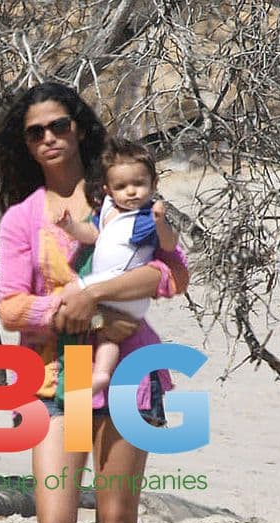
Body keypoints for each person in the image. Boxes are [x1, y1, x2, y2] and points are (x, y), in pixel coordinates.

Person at [0, 81, 188, 523]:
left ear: (78, 128)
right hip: (58, 380)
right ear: (23, 144)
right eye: (34, 132)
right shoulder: (23, 217)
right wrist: (71, 307)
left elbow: (170, 273)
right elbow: (10, 305)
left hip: (130, 376)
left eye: (58, 126)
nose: (48, 138)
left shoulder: (122, 189)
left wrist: (97, 295)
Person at [53, 136, 180, 395]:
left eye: (139, 184)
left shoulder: (143, 218)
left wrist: (160, 223)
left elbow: (170, 251)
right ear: (108, 190)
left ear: (153, 184)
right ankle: (100, 374)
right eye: (121, 186)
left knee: (67, 296)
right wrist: (70, 227)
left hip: (120, 286)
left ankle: (92, 370)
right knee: (107, 336)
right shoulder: (109, 210)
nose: (131, 192)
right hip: (108, 302)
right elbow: (93, 233)